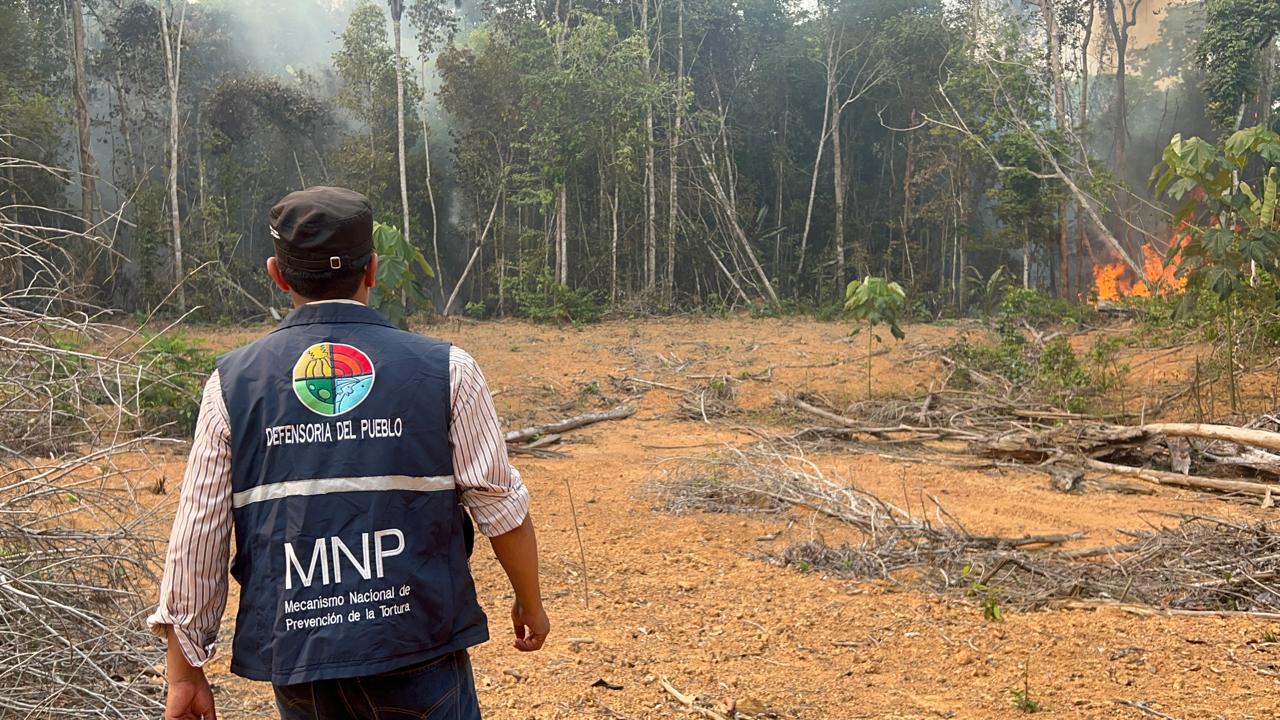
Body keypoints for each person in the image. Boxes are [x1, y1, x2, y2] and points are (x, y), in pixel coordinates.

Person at [149, 186, 549, 720]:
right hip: (418, 646)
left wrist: (184, 667)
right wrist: (529, 599)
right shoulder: (448, 369)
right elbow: (499, 504)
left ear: (278, 274)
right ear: (373, 269)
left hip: (301, 656)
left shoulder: (232, 384)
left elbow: (199, 532)